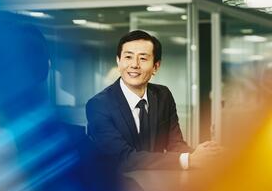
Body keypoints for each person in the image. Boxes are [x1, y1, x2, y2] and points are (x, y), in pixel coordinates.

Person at [86, 30, 222, 171]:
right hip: (116, 188)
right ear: (118, 61)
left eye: (143, 58)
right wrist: (189, 159)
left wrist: (205, 155)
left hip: (156, 184)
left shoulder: (163, 95)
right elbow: (123, 158)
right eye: (128, 57)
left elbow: (175, 145)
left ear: (156, 67)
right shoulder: (99, 105)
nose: (134, 65)